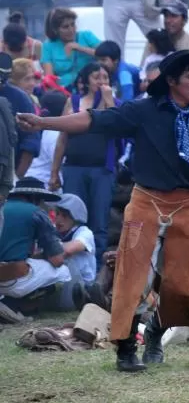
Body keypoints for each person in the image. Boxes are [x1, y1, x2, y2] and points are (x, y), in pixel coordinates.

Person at [15, 50, 189, 372]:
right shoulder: (143, 110)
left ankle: (156, 331)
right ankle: (126, 348)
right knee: (134, 278)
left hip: (187, 205)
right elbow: (94, 120)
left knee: (183, 284)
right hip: (145, 203)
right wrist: (43, 122)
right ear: (171, 80)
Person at [50, 62, 119, 268]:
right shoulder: (73, 102)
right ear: (86, 80)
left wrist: (108, 100)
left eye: (105, 77)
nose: (101, 81)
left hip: (102, 170)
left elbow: (118, 126)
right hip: (74, 168)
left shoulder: (114, 103)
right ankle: (70, 264)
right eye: (97, 77)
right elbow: (62, 139)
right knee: (71, 216)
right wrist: (54, 172)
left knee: (99, 219)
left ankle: (96, 269)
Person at [0, 178, 71, 314]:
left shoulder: (2, 206)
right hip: (12, 278)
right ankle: (14, 305)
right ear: (35, 197)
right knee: (63, 272)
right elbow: (57, 260)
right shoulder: (35, 212)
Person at [51, 194, 97, 311]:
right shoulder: (54, 231)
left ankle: (87, 300)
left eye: (65, 216)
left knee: (64, 259)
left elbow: (68, 250)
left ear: (75, 218)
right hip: (63, 283)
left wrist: (47, 247)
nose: (59, 219)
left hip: (83, 286)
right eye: (57, 214)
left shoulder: (84, 232)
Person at [0, 53, 41, 178]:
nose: (32, 83)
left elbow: (30, 142)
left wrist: (16, 178)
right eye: (27, 79)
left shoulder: (20, 98)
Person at [40, 8, 100, 89]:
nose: (71, 30)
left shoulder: (86, 36)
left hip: (90, 87)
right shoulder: (48, 46)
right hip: (64, 89)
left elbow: (106, 54)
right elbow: (49, 78)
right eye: (65, 27)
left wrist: (80, 48)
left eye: (73, 24)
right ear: (55, 30)